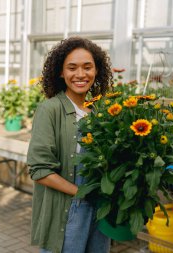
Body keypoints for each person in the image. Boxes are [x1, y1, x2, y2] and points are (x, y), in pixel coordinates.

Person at [27, 37, 113, 253]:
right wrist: (83, 193)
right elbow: (40, 170)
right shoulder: (50, 110)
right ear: (61, 72)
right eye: (72, 68)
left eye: (87, 67)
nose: (81, 74)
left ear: (97, 70)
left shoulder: (102, 110)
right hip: (69, 207)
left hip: (100, 206)